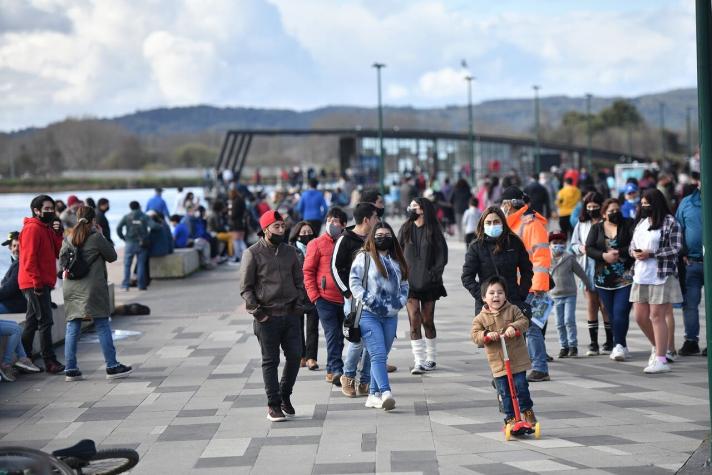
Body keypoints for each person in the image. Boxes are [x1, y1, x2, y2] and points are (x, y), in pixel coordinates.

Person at [239, 210, 305, 422]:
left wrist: (298, 303)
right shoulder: (253, 252)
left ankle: (285, 395)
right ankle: (273, 404)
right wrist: (258, 312)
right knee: (270, 361)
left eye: (282, 226)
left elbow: (299, 280)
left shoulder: (290, 252)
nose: (281, 230)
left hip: (291, 314)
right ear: (265, 229)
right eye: (276, 227)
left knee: (295, 356)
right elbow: (246, 288)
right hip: (267, 316)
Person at [60, 206, 132, 382]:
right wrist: (102, 235)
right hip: (92, 287)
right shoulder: (95, 237)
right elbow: (113, 256)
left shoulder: (68, 237)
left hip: (71, 286)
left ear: (77, 218)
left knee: (73, 326)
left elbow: (62, 260)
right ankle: (112, 366)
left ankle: (70, 369)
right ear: (93, 220)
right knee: (101, 324)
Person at [349, 221, 408, 411]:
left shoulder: (397, 260)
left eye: (387, 235)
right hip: (368, 314)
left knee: (381, 356)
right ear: (372, 238)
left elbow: (405, 283)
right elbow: (354, 283)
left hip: (391, 315)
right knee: (378, 354)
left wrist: (400, 302)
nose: (383, 238)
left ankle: (373, 395)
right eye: (379, 235)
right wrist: (370, 301)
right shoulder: (363, 258)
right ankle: (385, 392)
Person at [500, 186, 552, 382]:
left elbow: (541, 255)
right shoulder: (512, 223)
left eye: (503, 203)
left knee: (531, 326)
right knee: (520, 326)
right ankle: (525, 364)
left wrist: (538, 285)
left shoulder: (531, 223)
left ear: (510, 204)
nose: (501, 206)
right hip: (516, 284)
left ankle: (540, 367)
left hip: (530, 285)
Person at [471, 276, 537, 427]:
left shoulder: (513, 310)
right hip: (498, 362)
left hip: (517, 359)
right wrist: (486, 335)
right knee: (505, 391)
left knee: (521, 385)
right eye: (492, 293)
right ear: (483, 298)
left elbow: (524, 321)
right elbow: (475, 335)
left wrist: (514, 327)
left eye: (500, 292)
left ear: (505, 295)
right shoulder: (480, 318)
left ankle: (527, 410)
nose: (496, 296)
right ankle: (511, 417)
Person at [629, 189, 683, 374]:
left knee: (656, 316)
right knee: (640, 317)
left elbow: (676, 248)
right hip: (640, 274)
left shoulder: (670, 222)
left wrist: (651, 254)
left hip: (661, 274)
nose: (644, 207)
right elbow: (632, 246)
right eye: (642, 204)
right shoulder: (642, 223)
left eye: (647, 204)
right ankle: (659, 347)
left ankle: (661, 359)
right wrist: (635, 253)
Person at [330, 203, 379, 397]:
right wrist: (347, 292)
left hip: (375, 299)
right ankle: (347, 377)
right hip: (354, 299)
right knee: (357, 340)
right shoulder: (345, 239)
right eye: (375, 217)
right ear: (367, 220)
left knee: (373, 341)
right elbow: (334, 267)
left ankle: (365, 380)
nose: (378, 221)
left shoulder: (375, 238)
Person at [399, 198, 448, 374]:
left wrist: (433, 274)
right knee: (414, 319)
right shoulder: (405, 228)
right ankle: (418, 361)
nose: (411, 208)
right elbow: (397, 252)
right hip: (409, 283)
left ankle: (431, 358)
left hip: (429, 283)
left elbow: (442, 257)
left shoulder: (434, 231)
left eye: (415, 206)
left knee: (427, 320)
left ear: (423, 209)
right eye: (410, 205)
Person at [19, 195, 65, 374]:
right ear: (36, 211)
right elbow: (29, 260)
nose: (50, 211)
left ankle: (25, 357)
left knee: (31, 321)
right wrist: (37, 284)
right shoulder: (32, 229)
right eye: (46, 209)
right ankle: (50, 361)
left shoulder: (45, 228)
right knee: (45, 320)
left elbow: (58, 252)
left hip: (41, 281)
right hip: (34, 282)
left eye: (52, 208)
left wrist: (58, 233)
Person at [586, 198, 635, 362]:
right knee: (612, 314)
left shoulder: (628, 225)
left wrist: (619, 252)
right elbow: (589, 248)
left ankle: (618, 345)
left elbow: (633, 245)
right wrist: (603, 255)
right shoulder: (596, 228)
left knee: (621, 311)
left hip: (625, 277)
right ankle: (622, 344)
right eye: (611, 211)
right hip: (603, 278)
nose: (615, 213)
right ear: (604, 214)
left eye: (617, 210)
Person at [304, 207, 348, 386]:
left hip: (346, 297)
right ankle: (336, 369)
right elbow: (308, 271)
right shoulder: (316, 243)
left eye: (336, 220)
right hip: (324, 298)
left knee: (343, 334)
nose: (332, 223)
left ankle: (332, 368)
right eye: (329, 220)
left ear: (344, 225)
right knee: (333, 333)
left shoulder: (348, 242)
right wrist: (315, 296)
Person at [461, 206, 533, 315]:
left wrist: (521, 293)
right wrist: (483, 296)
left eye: (496, 222)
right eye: (488, 223)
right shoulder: (476, 247)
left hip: (512, 302)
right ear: (483, 225)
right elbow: (467, 277)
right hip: (486, 307)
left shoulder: (514, 243)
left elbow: (527, 270)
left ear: (503, 223)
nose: (492, 225)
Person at [571, 192, 612, 356]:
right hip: (587, 266)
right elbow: (573, 244)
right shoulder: (582, 224)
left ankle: (610, 340)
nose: (592, 209)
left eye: (595, 206)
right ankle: (593, 342)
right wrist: (580, 248)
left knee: (605, 304)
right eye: (589, 207)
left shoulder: (607, 223)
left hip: (604, 266)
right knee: (591, 304)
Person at [549, 232, 590, 358]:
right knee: (559, 323)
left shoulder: (569, 258)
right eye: (554, 243)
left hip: (569, 295)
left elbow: (580, 272)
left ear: (565, 244)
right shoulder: (547, 259)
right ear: (549, 245)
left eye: (561, 243)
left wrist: (587, 284)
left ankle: (573, 346)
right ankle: (563, 346)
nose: (558, 246)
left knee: (569, 320)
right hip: (555, 295)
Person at [676, 182, 704, 356]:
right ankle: (691, 340)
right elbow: (678, 228)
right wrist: (683, 251)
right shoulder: (686, 202)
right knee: (690, 305)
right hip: (691, 262)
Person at [288, 221, 319, 371]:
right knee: (297, 326)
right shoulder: (290, 250)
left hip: (314, 292)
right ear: (297, 234)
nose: (307, 235)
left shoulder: (316, 247)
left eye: (309, 232)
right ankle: (302, 355)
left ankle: (311, 357)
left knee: (313, 327)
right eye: (303, 232)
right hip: (296, 293)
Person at [117, 201, 156, 291]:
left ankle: (126, 285)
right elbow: (153, 226)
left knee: (127, 265)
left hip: (129, 243)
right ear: (139, 206)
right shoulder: (144, 216)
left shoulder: (126, 217)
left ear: (130, 207)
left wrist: (123, 237)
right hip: (142, 244)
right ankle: (141, 285)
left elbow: (118, 228)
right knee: (141, 264)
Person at [0, 232, 26, 314]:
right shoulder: (17, 262)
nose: (16, 249)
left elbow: (11, 288)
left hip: (15, 305)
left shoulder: (20, 264)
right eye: (14, 246)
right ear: (10, 247)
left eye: (19, 246)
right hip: (14, 303)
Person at [229, 189, 248, 263]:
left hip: (236, 224)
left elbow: (233, 215)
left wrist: (229, 214)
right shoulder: (241, 200)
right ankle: (246, 256)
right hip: (241, 224)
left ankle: (238, 257)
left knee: (236, 241)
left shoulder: (235, 202)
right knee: (241, 241)